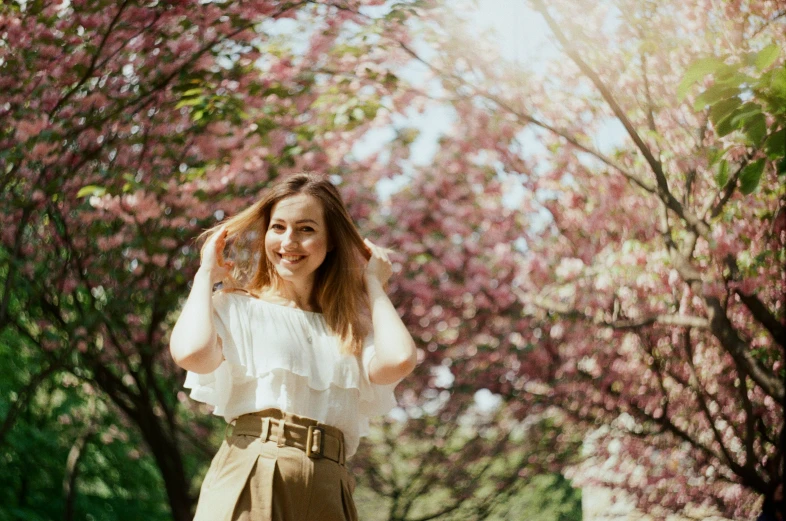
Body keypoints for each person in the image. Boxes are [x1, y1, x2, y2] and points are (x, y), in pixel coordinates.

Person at [169, 172, 417, 521]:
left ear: (331, 239)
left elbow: (401, 359)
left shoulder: (351, 326)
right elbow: (191, 354)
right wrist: (205, 274)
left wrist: (373, 284)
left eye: (306, 229)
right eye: (278, 227)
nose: (289, 241)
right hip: (254, 469)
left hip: (330, 484)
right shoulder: (238, 307)